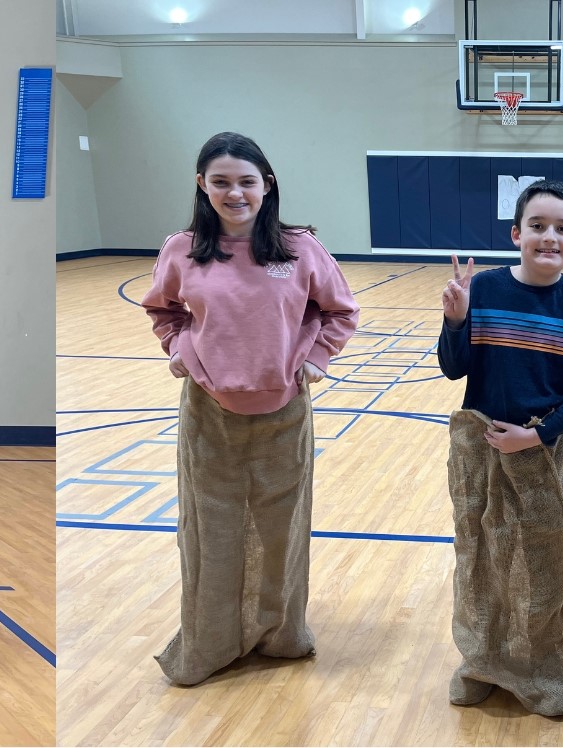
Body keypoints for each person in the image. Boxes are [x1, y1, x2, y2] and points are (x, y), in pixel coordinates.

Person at [138, 132, 358, 686]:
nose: (235, 192)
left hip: (285, 412)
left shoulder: (300, 249)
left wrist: (316, 358)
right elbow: (162, 310)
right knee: (211, 532)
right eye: (221, 182)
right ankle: (212, 641)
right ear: (202, 186)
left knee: (281, 529)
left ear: (268, 185)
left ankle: (281, 634)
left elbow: (340, 311)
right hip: (208, 414)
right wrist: (180, 349)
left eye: (246, 181)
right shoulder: (181, 250)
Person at [435, 180, 563, 716]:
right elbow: (453, 367)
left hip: (542, 452)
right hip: (481, 450)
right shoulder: (484, 289)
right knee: (482, 557)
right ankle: (484, 661)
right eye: (537, 226)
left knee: (542, 561)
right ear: (516, 234)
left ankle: (541, 662)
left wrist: (535, 435)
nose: (548, 237)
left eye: (561, 229)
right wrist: (456, 319)